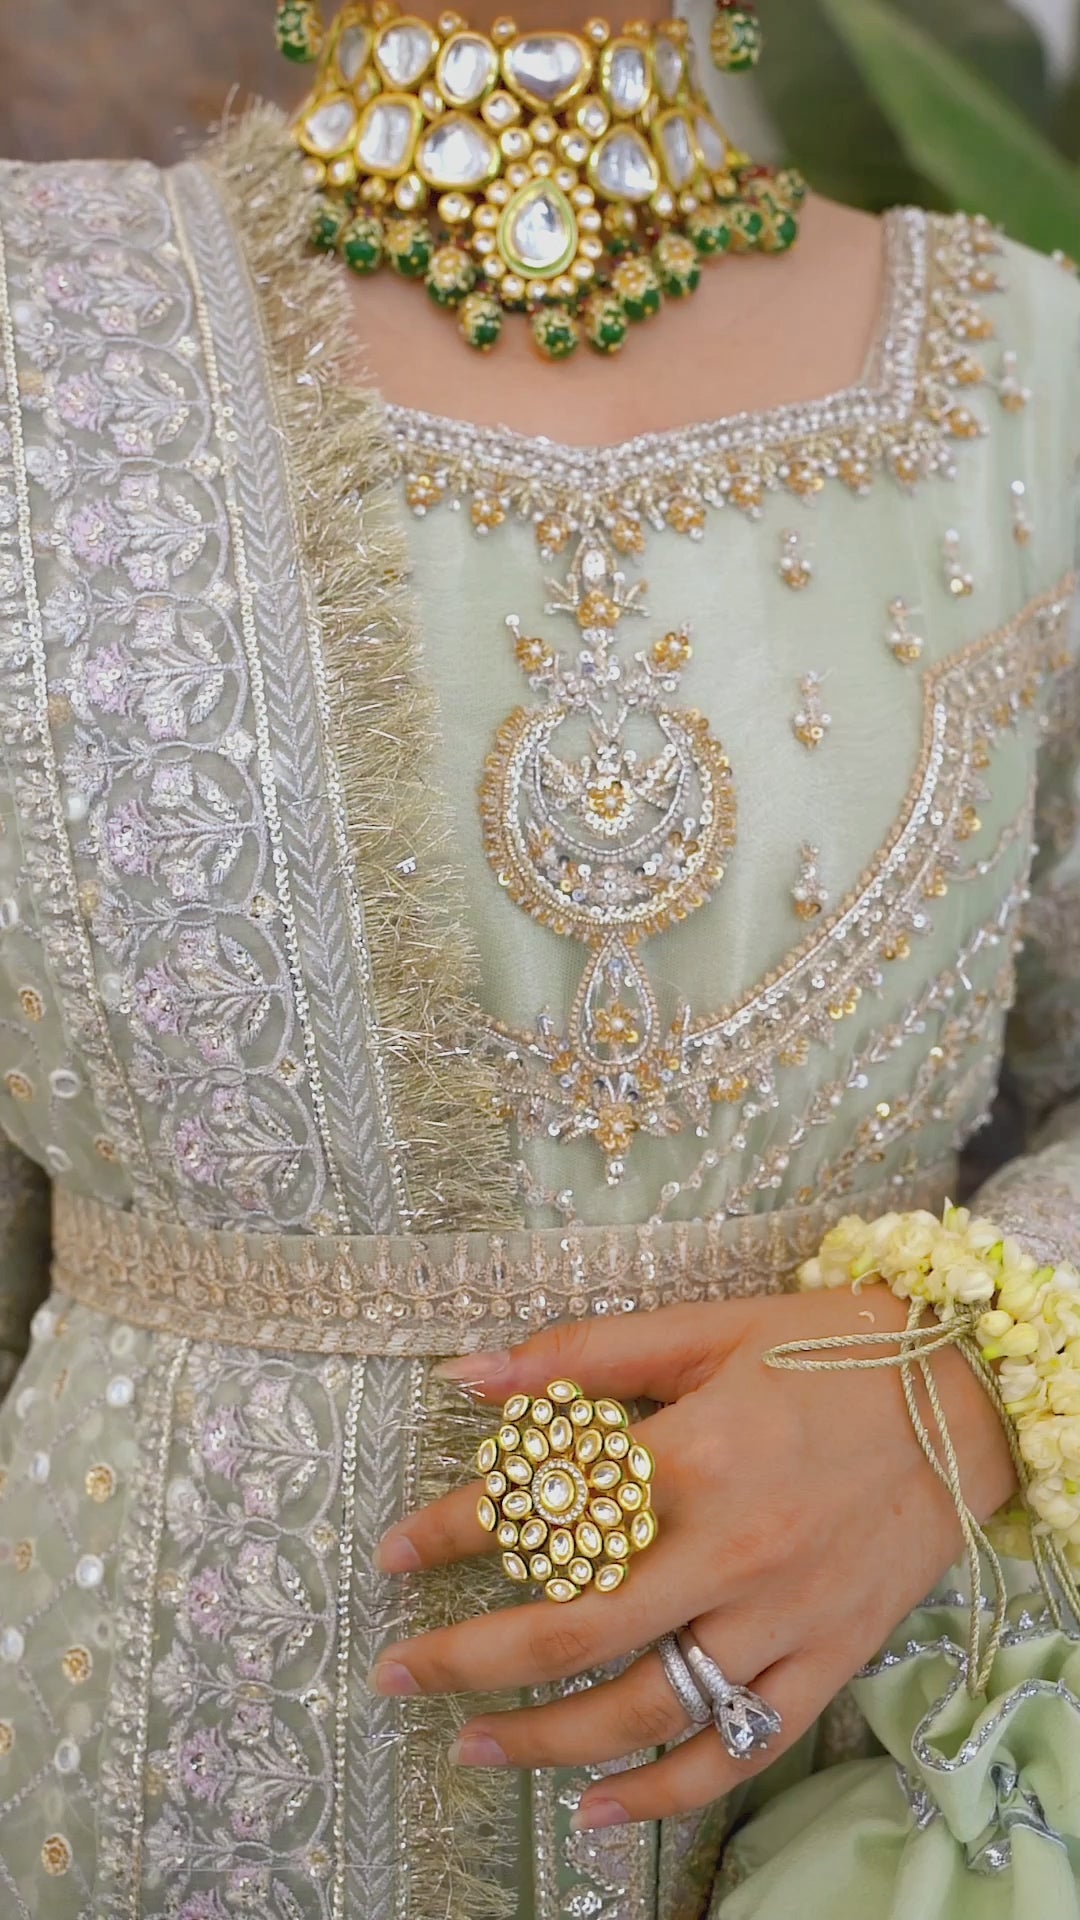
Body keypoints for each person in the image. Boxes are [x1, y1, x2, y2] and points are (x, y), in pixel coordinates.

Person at [0, 1, 1078, 1914]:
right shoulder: (48, 338)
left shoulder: (1036, 369)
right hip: (158, 1781)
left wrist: (964, 1388)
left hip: (861, 1797)